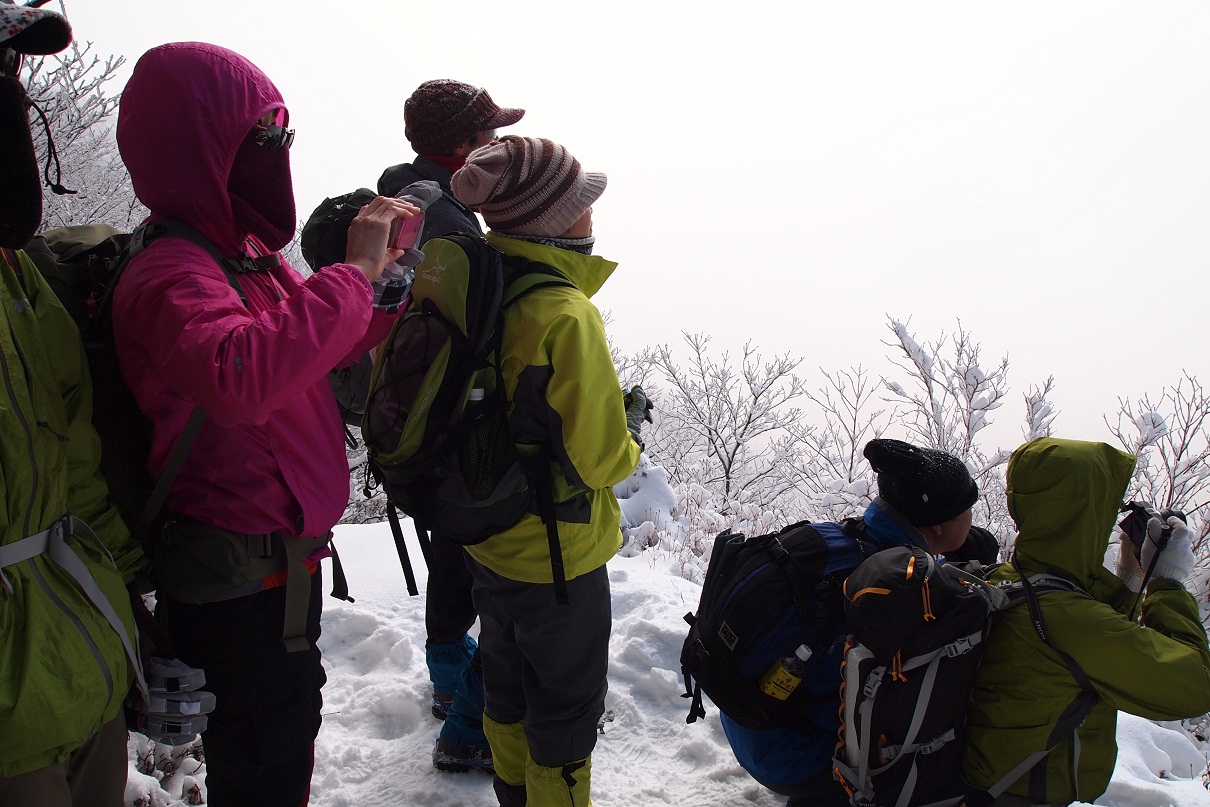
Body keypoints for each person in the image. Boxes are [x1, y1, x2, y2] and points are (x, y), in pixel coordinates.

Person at [111, 42, 417, 807]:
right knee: (262, 767)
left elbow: (316, 348)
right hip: (237, 584)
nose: (277, 156)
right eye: (262, 140)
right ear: (200, 147)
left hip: (280, 573)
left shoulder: (242, 257)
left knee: (281, 749)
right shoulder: (168, 274)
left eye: (283, 140)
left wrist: (383, 287)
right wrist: (348, 273)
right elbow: (240, 376)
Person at [447, 135, 641, 806]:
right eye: (582, 205)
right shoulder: (565, 313)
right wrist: (632, 430)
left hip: (489, 537)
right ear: (553, 222)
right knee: (565, 708)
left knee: (504, 683)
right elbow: (601, 458)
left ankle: (512, 793)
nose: (592, 215)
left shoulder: (478, 283)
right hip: (557, 557)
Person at [0, 4, 147, 804]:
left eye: (9, 76)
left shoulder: (22, 280)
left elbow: (74, 463)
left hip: (78, 660)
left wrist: (127, 586)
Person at [721, 437, 997, 807]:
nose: (972, 520)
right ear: (939, 526)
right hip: (795, 759)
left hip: (752, 727)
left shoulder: (841, 543)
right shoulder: (895, 596)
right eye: (968, 510)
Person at [379, 78, 525, 775]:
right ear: (464, 146)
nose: (497, 143)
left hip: (417, 431)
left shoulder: (402, 202)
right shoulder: (450, 224)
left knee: (452, 562)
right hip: (456, 437)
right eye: (489, 133)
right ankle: (468, 723)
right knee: (497, 579)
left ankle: (448, 677)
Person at [962, 437, 1210, 806]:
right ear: (1085, 512)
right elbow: (1194, 686)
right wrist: (1167, 583)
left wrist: (1128, 579)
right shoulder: (1069, 619)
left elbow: (1084, 645)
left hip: (982, 788)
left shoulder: (1005, 579)